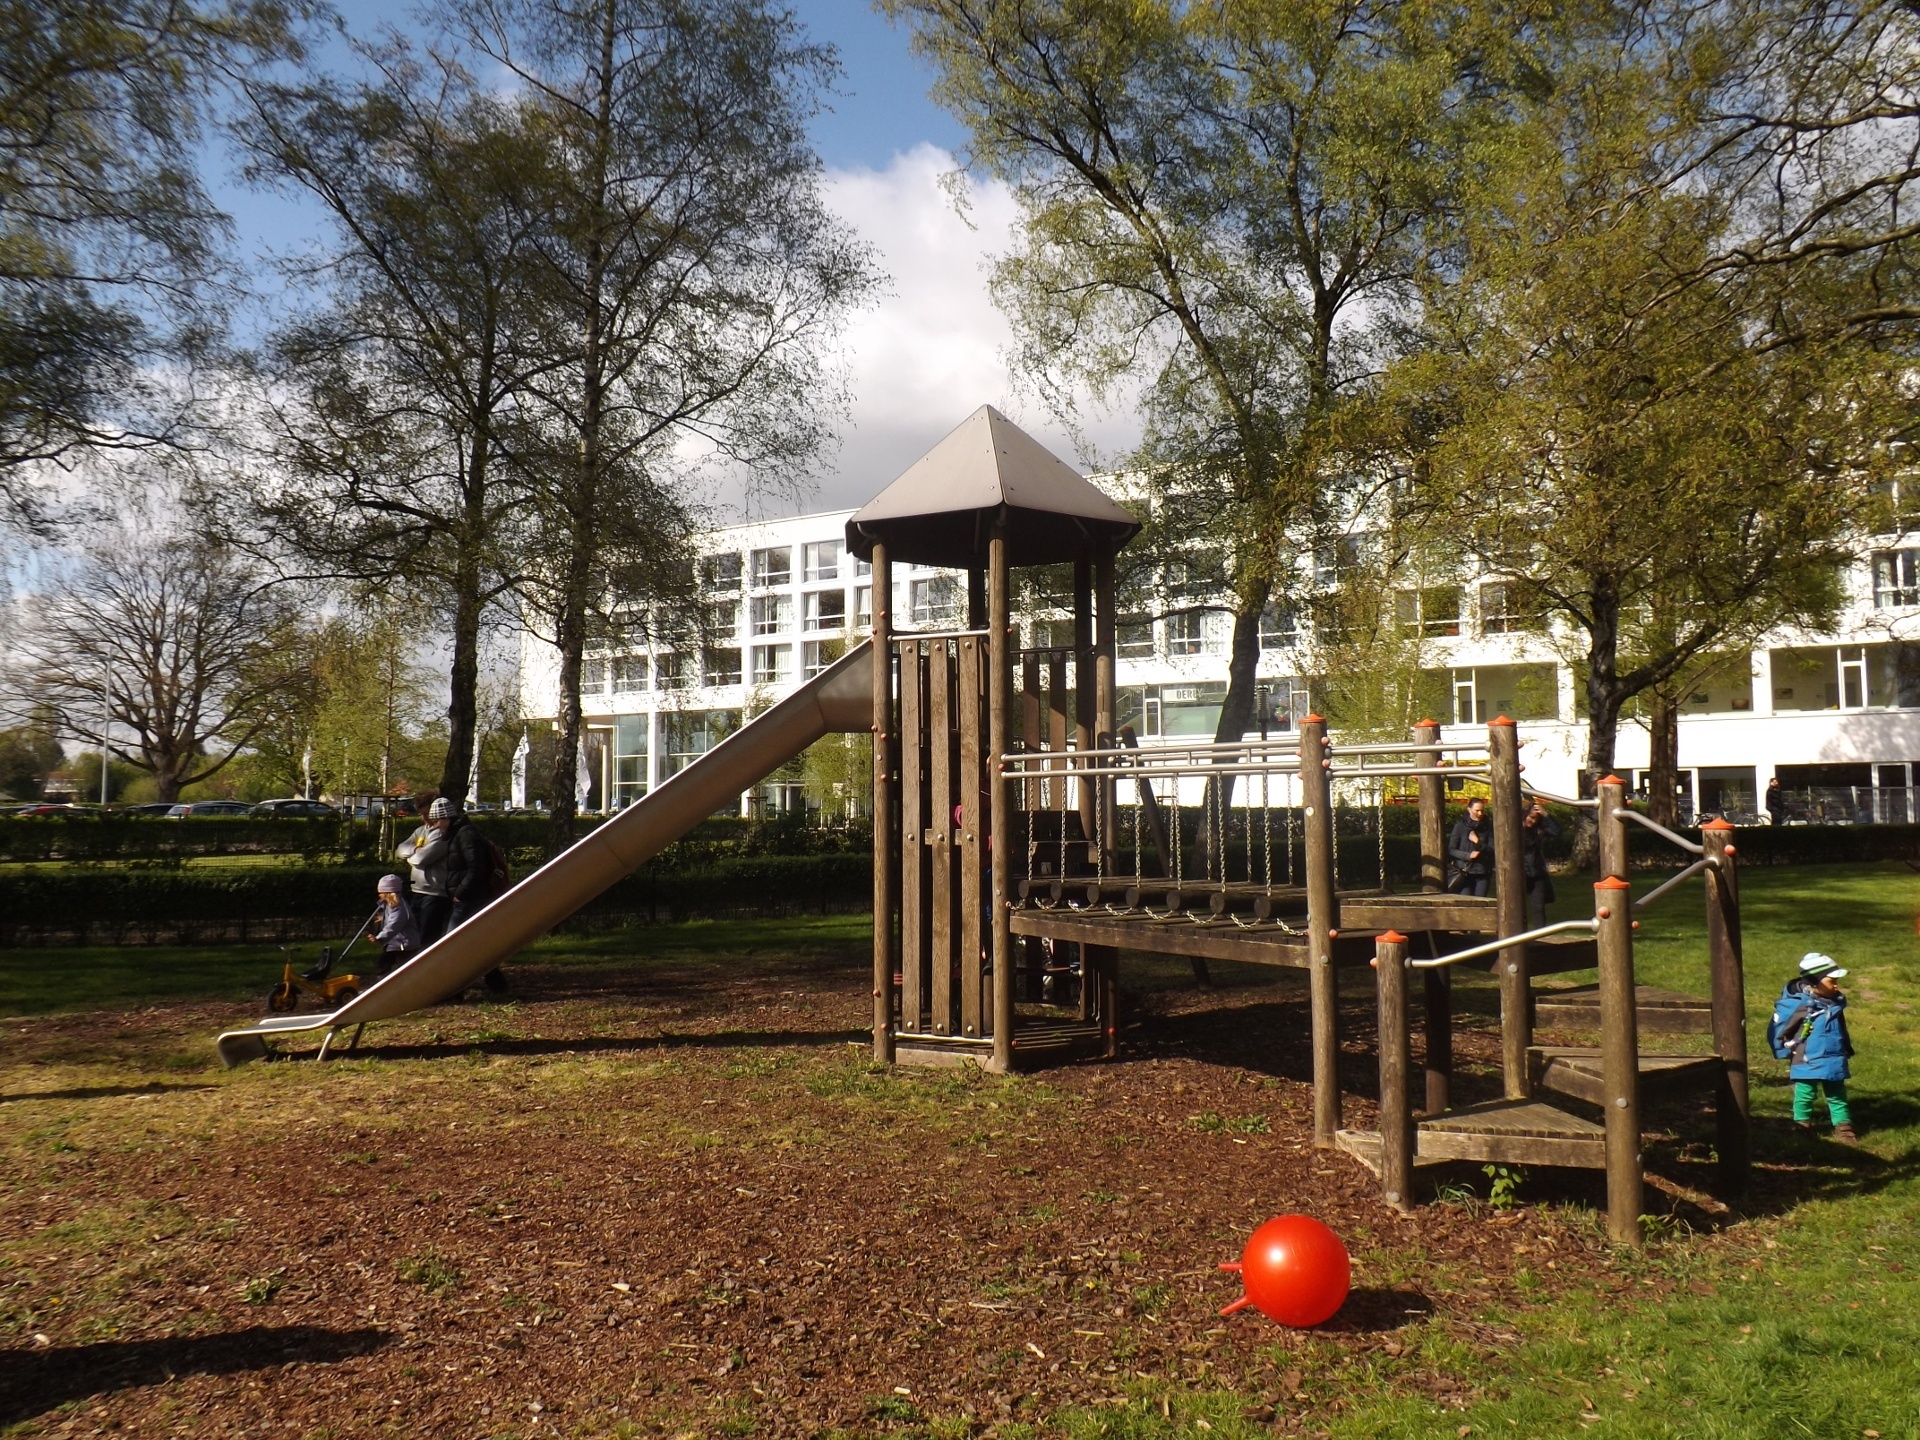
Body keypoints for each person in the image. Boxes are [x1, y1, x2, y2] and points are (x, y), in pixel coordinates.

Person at [1768, 952, 1858, 1144]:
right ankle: (1802, 1125)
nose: (1836, 985)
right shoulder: (1801, 1006)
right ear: (1815, 982)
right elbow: (1782, 1030)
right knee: (1805, 1093)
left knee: (1837, 1094)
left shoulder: (1835, 1004)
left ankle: (1844, 1127)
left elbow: (1841, 1029)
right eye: (1832, 980)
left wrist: (1846, 1048)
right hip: (1806, 1057)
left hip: (1833, 1056)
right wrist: (1785, 1050)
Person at [441, 797, 510, 993]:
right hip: (470, 896)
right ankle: (496, 982)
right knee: (475, 944)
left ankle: (453, 988)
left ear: (446, 818)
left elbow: (476, 867)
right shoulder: (460, 834)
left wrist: (460, 893)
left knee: (451, 944)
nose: (435, 826)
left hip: (470, 897)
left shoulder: (465, 835)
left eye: (437, 821)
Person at [395, 797, 451, 944]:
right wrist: (415, 849)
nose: (424, 818)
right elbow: (400, 849)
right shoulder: (420, 831)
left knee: (428, 935)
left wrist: (411, 857)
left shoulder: (440, 834)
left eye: (427, 814)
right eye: (421, 814)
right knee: (413, 933)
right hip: (417, 891)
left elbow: (421, 859)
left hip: (434, 893)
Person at [366, 873, 421, 975]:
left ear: (389, 893)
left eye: (382, 892)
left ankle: (391, 984)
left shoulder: (399, 908)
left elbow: (394, 925)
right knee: (383, 964)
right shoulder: (391, 905)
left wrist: (380, 937)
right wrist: (383, 918)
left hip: (404, 945)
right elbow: (392, 918)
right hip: (396, 943)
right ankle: (384, 982)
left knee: (400, 968)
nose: (379, 895)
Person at [1520, 799, 1560, 929]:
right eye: (1531, 817)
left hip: (1537, 872)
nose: (1532, 821)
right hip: (1519, 873)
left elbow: (1557, 831)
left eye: (1536, 819)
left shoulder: (1538, 831)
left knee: (1538, 907)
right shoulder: (1515, 829)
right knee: (1517, 906)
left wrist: (1546, 814)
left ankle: (1540, 934)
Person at [1447, 796, 1495, 897]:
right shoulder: (1460, 826)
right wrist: (1468, 856)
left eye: (1482, 811)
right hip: (1464, 871)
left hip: (1482, 871)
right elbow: (1451, 849)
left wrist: (1477, 841)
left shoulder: (1488, 827)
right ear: (1469, 810)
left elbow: (1492, 849)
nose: (1480, 814)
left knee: (1481, 902)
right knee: (1466, 902)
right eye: (1477, 810)